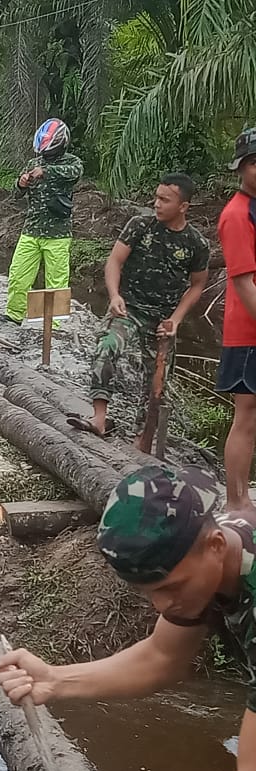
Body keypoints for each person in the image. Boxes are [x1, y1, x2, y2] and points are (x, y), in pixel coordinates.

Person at [0, 464, 256, 771]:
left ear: (216, 546)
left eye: (172, 587)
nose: (162, 604)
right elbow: (162, 657)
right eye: (150, 592)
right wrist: (54, 679)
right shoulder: (204, 554)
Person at [66, 173, 209, 439]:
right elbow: (115, 261)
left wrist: (176, 320)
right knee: (106, 347)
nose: (156, 204)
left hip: (163, 320)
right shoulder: (140, 226)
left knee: (157, 382)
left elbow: (197, 285)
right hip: (129, 309)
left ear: (183, 206)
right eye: (156, 197)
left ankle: (143, 436)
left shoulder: (196, 243)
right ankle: (99, 418)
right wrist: (114, 295)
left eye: (165, 200)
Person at [5, 118, 83, 324]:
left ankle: (54, 325)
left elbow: (74, 173)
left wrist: (46, 172)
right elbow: (16, 194)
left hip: (58, 234)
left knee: (56, 282)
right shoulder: (33, 164)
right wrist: (21, 183)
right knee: (18, 275)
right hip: (31, 230)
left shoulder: (71, 162)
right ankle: (14, 315)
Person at [215, 126, 256, 511]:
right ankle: (236, 502)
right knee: (246, 415)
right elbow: (243, 282)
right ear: (241, 168)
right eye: (254, 162)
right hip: (248, 331)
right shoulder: (237, 214)